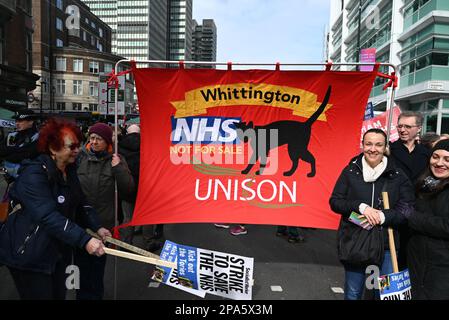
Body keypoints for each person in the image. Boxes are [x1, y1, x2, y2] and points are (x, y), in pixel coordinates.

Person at [0, 118, 109, 300]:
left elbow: (81, 203)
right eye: (71, 146)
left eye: (78, 145)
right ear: (53, 148)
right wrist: (85, 240)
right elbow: (47, 216)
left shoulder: (69, 169)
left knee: (59, 295)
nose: (77, 150)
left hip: (57, 251)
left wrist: (97, 227)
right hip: (30, 254)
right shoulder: (33, 174)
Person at [329, 128, 414, 300]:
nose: (373, 149)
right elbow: (335, 201)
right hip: (356, 243)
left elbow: (407, 208)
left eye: (378, 144)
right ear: (362, 145)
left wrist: (383, 217)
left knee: (383, 294)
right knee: (353, 293)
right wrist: (360, 207)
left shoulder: (397, 175)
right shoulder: (350, 172)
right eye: (368, 144)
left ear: (385, 147)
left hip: (386, 246)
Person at [76, 122, 135, 299]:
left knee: (97, 264)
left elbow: (129, 190)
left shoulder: (116, 159)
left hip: (103, 223)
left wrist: (118, 169)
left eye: (99, 139)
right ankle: (82, 295)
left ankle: (96, 295)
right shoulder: (79, 157)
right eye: (92, 137)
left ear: (107, 141)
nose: (94, 141)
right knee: (79, 266)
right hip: (78, 221)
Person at [407, 139, 449, 299]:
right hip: (416, 264)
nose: (439, 163)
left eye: (447, 159)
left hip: (442, 270)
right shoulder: (423, 184)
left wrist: (412, 217)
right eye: (435, 157)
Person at [389, 111, 431, 269]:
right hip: (393, 213)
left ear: (418, 128)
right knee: (390, 263)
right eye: (400, 126)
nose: (402, 130)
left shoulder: (428, 155)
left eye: (407, 126)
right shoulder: (388, 151)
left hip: (417, 216)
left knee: (409, 263)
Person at [0, 109, 39, 181]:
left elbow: (26, 155)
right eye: (16, 121)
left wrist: (8, 152)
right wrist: (19, 149)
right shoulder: (11, 135)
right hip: (8, 179)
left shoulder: (38, 137)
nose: (17, 123)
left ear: (31, 122)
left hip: (28, 179)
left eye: (20, 121)